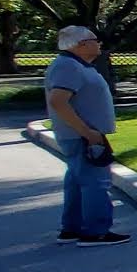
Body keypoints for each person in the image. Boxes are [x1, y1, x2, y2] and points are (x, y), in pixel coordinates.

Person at [45, 25, 128, 246]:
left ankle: (72, 229)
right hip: (83, 136)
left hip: (81, 135)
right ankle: (95, 231)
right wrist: (88, 132)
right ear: (81, 44)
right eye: (94, 39)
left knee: (77, 181)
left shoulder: (73, 65)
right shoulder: (69, 67)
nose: (98, 43)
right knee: (95, 182)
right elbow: (58, 101)